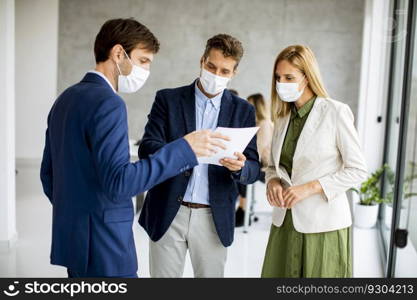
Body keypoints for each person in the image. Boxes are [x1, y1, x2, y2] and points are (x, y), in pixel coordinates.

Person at [40, 18, 229, 278]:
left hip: (74, 241)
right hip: (106, 245)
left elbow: (48, 176)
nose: (146, 70)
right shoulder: (109, 103)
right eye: (143, 60)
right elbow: (121, 183)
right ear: (119, 53)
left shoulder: (65, 99)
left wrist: (80, 217)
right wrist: (184, 149)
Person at [138, 34, 260, 277]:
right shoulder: (168, 99)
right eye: (211, 66)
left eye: (224, 71)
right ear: (202, 61)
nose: (216, 75)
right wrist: (183, 148)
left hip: (213, 217)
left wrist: (239, 168)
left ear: (234, 73)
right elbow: (147, 148)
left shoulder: (243, 110)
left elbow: (254, 168)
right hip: (169, 211)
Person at [261, 45, 368, 278]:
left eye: (289, 77)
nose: (281, 83)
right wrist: (273, 182)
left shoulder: (335, 112)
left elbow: (358, 170)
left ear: (307, 78)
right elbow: (273, 168)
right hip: (285, 223)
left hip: (323, 226)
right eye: (278, 78)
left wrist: (310, 188)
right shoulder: (281, 118)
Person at [235, 93, 274, 227]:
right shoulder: (256, 124)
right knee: (239, 170)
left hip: (267, 168)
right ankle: (242, 209)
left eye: (250, 103)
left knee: (243, 172)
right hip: (260, 164)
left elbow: (258, 150)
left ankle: (243, 210)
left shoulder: (264, 124)